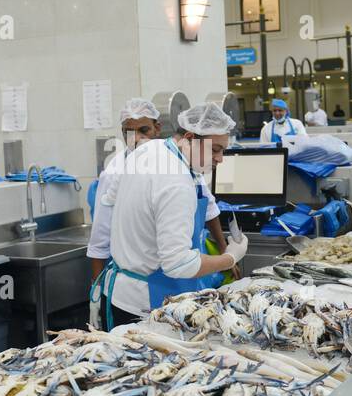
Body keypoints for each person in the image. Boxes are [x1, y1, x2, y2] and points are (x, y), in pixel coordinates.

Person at [93, 102, 249, 328]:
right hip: (147, 304)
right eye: (215, 149)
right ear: (189, 137)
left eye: (223, 150)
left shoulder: (149, 149)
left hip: (121, 292)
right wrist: (230, 257)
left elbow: (110, 198)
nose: (220, 159)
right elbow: (178, 265)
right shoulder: (176, 183)